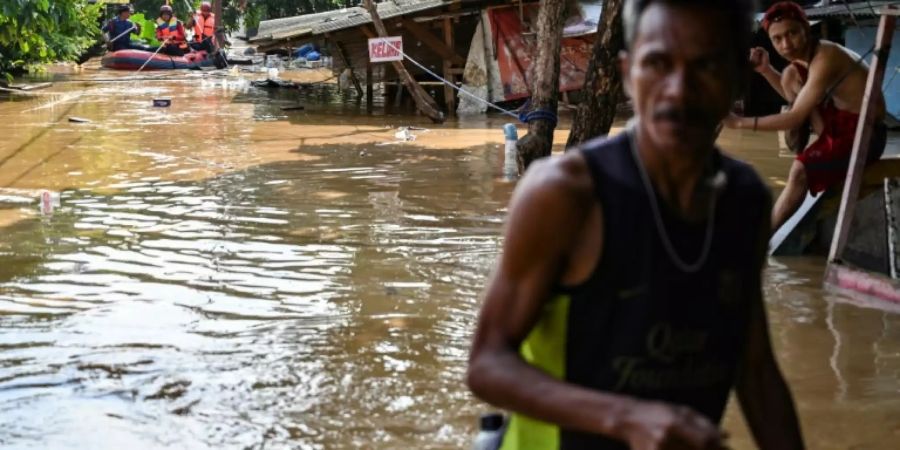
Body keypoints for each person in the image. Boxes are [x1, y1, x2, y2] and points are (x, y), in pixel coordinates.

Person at [466, 0, 807, 449]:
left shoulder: (744, 199)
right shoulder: (564, 195)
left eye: (705, 65)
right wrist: (625, 417)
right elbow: (487, 364)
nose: (678, 90)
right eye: (657, 64)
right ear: (627, 73)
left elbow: (756, 369)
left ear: (735, 79)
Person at [724, 1, 888, 232]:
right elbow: (798, 101)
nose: (786, 44)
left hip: (865, 133)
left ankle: (761, 238)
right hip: (836, 125)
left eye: (792, 33)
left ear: (806, 29)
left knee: (800, 170)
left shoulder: (827, 56)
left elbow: (795, 117)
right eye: (777, 39)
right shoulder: (801, 63)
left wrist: (738, 122)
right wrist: (766, 71)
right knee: (790, 75)